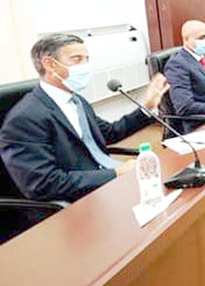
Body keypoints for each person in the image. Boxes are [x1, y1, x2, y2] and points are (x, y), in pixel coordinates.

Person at [0, 34, 169, 202]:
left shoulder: (76, 100)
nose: (85, 66)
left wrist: (147, 107)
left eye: (86, 59)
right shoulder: (25, 118)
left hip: (104, 180)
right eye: (77, 59)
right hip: (78, 199)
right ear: (50, 64)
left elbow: (108, 133)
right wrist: (115, 173)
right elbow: (43, 184)